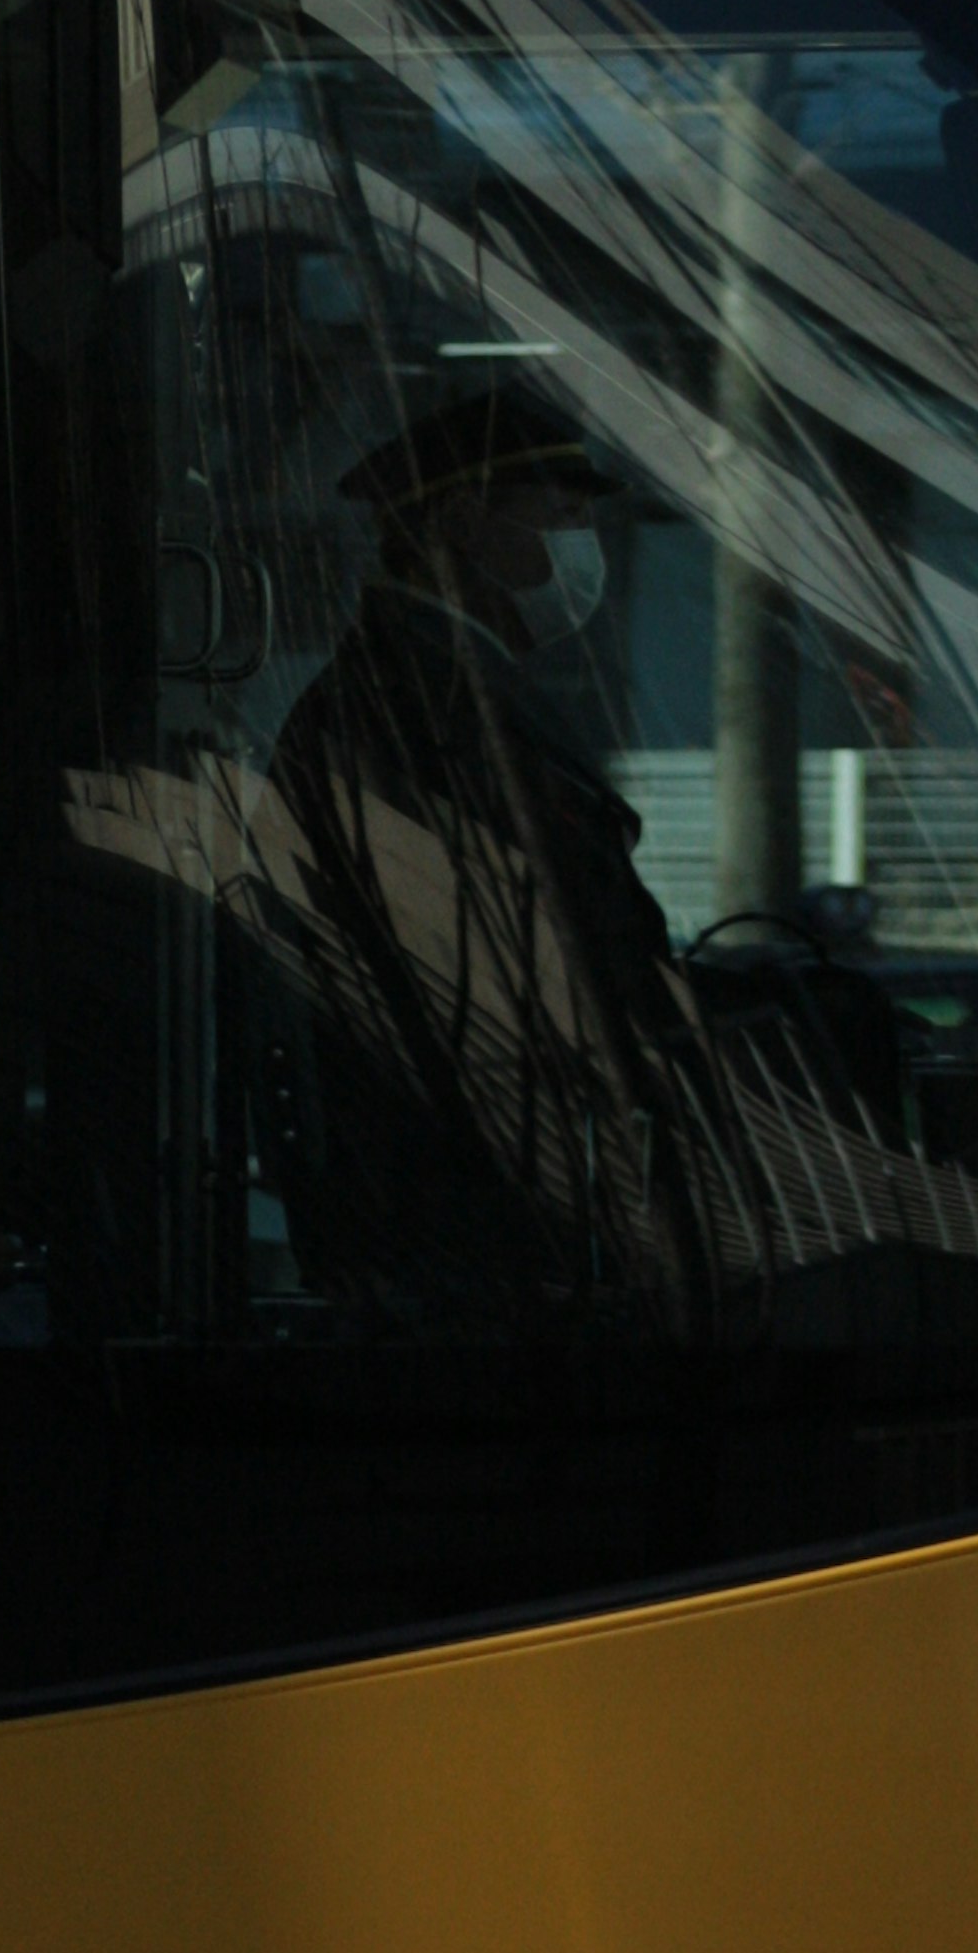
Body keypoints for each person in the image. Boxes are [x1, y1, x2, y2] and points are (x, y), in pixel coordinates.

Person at [262, 378, 717, 1327]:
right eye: (557, 514)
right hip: (476, 1234)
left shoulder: (430, 689)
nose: (578, 547)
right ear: (464, 521)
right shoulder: (428, 711)